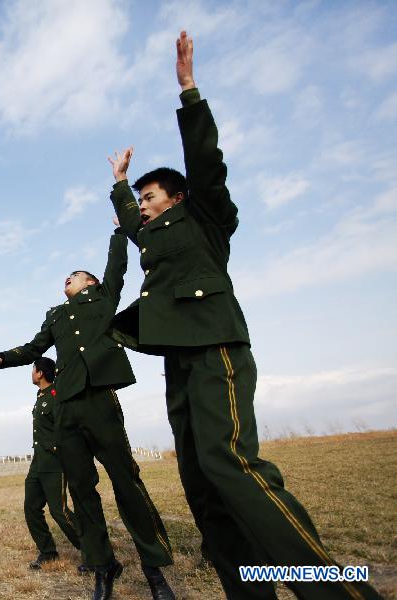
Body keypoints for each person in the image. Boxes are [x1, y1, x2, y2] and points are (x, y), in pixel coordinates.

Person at [105, 30, 381, 600]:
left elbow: (206, 164)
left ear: (178, 201)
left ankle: (342, 590)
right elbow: (133, 225)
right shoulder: (152, 234)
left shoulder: (204, 219)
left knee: (231, 464)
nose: (147, 211)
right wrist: (121, 187)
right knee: (203, 485)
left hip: (214, 348)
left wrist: (189, 94)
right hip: (178, 361)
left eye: (154, 199)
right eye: (145, 205)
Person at [0, 232, 175, 600]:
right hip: (66, 406)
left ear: (91, 283)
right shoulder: (55, 315)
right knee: (82, 490)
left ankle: (153, 567)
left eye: (74, 275)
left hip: (99, 399)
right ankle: (103, 567)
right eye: (66, 277)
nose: (66, 279)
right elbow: (36, 347)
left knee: (125, 480)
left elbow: (117, 268)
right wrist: (4, 358)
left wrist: (120, 234)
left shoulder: (103, 298)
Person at [23, 356, 82, 570]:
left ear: (40, 373)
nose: (31, 373)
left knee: (60, 511)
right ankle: (48, 552)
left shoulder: (56, 396)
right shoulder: (40, 397)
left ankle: (93, 550)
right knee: (31, 507)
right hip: (38, 462)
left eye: (33, 369)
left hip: (54, 462)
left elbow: (66, 428)